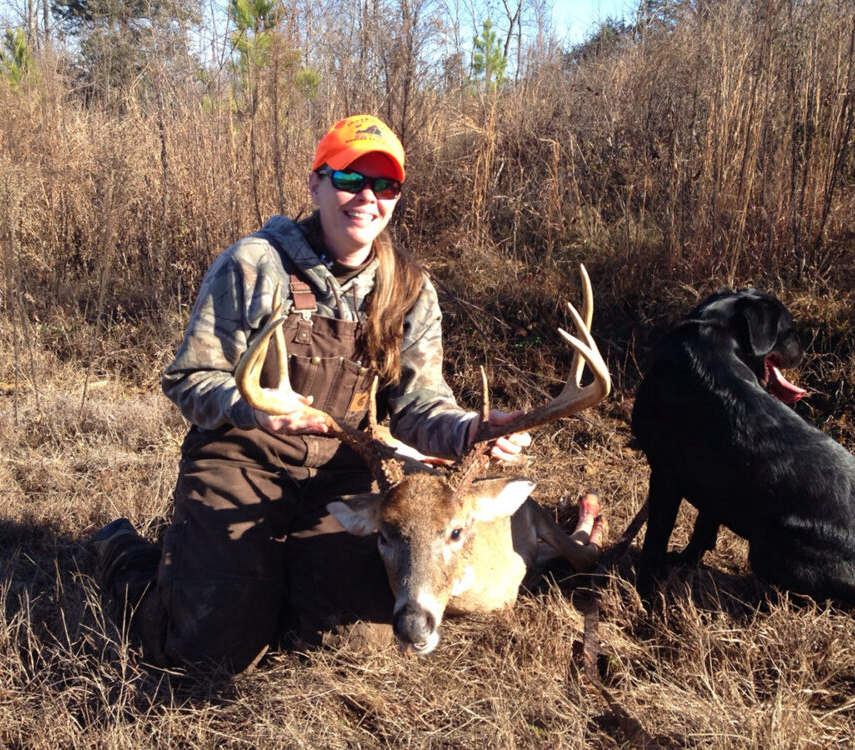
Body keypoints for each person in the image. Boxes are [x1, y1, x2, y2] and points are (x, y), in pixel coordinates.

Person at [90, 115, 531, 673]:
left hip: (343, 477)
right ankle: (126, 554)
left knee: (352, 647)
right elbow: (188, 380)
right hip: (241, 457)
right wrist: (250, 408)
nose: (367, 197)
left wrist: (470, 429)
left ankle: (266, 575)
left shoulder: (409, 291)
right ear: (316, 183)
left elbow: (419, 404)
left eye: (385, 185)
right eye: (350, 179)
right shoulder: (255, 265)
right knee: (211, 649)